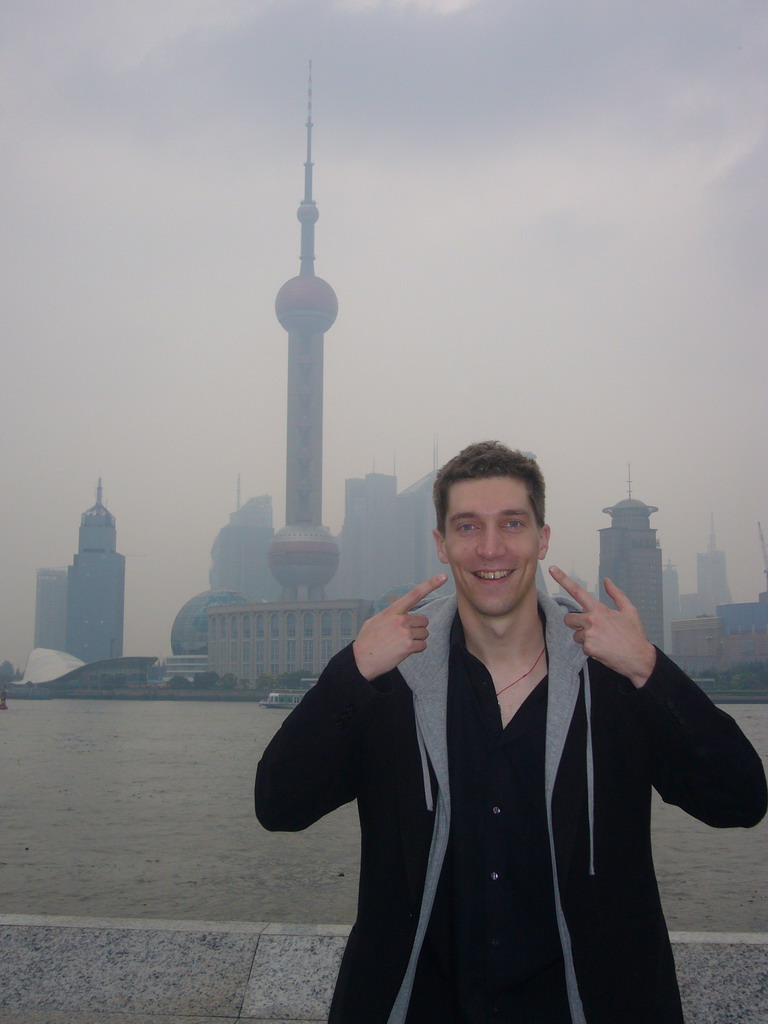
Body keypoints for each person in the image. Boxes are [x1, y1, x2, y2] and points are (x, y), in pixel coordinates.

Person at [255, 441, 766, 1024]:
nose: (490, 548)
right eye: (467, 526)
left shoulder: (618, 684)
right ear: (441, 544)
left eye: (512, 524)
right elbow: (279, 805)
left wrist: (650, 668)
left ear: (542, 539)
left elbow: (740, 801)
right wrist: (350, 673)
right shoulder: (388, 688)